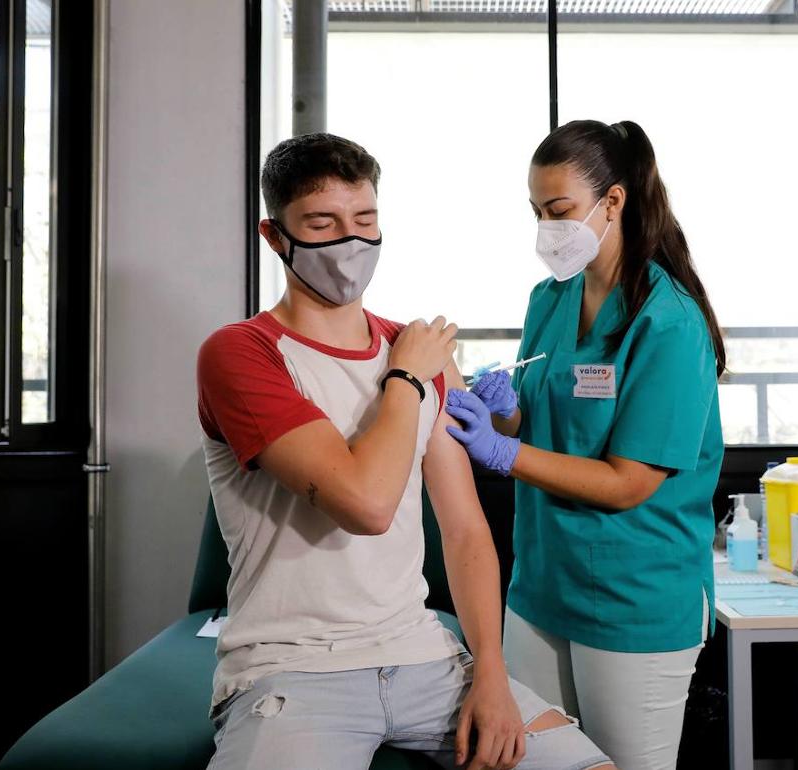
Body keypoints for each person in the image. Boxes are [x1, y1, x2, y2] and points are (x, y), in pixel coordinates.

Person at [196, 132, 615, 770]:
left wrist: (493, 676)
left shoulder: (416, 349)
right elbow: (364, 503)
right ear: (275, 236)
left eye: (365, 220)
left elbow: (467, 532)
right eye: (322, 223)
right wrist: (407, 379)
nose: (350, 242)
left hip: (424, 657)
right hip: (293, 667)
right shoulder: (241, 354)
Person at [443, 120, 726, 770]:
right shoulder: (551, 298)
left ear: (614, 201)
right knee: (529, 763)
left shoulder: (669, 324)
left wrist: (504, 454)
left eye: (560, 210)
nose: (547, 227)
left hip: (635, 597)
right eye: (537, 212)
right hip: (543, 584)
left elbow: (629, 483)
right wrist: (505, 415)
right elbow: (535, 423)